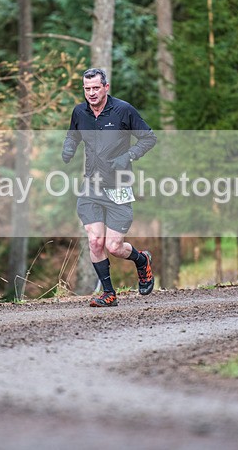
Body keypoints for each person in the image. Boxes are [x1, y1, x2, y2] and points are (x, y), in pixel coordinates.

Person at [62, 68, 157, 307]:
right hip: (91, 186)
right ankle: (109, 293)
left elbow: (148, 137)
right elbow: (73, 135)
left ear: (106, 87)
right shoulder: (79, 112)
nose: (91, 93)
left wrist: (129, 156)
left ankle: (141, 260)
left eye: (96, 88)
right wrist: (69, 148)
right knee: (95, 241)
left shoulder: (123, 110)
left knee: (113, 246)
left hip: (118, 186)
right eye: (87, 89)